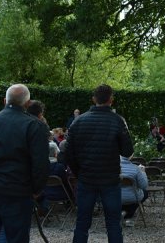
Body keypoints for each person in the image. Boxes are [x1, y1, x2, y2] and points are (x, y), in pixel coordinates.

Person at [0, 84, 49, 243]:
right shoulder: (35, 125)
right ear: (28, 103)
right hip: (17, 191)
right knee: (16, 237)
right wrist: (36, 189)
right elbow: (40, 163)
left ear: (4, 101)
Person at [65, 84, 133, 243]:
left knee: (82, 224)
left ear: (93, 99)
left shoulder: (78, 121)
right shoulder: (117, 121)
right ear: (111, 100)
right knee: (113, 224)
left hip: (86, 178)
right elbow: (127, 152)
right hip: (110, 180)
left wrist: (79, 172)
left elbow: (68, 153)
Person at [120, 155, 148, 227]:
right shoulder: (135, 169)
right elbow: (144, 186)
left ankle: (122, 212)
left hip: (115, 197)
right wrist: (143, 172)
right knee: (145, 193)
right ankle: (128, 215)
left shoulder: (112, 168)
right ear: (131, 156)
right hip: (133, 197)